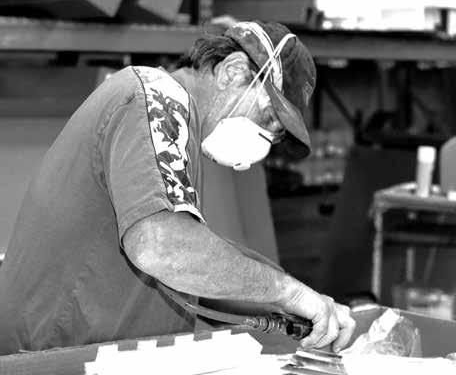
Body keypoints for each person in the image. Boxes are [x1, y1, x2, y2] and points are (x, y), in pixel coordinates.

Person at [0, 20, 355, 355]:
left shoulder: (176, 131)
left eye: (275, 137)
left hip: (79, 363)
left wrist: (295, 301)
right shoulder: (154, 97)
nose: (265, 141)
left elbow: (196, 263)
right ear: (233, 72)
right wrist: (288, 293)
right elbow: (160, 245)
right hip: (48, 366)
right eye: (268, 118)